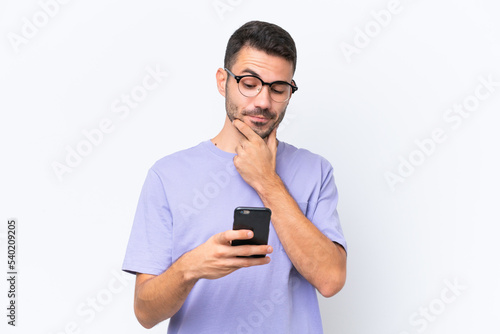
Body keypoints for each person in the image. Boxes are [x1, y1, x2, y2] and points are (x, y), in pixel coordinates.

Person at [122, 20, 347, 333]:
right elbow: (146, 313)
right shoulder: (167, 175)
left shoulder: (315, 171)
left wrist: (268, 183)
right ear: (222, 81)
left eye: (278, 88)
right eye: (249, 83)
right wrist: (190, 267)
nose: (263, 102)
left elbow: (331, 280)